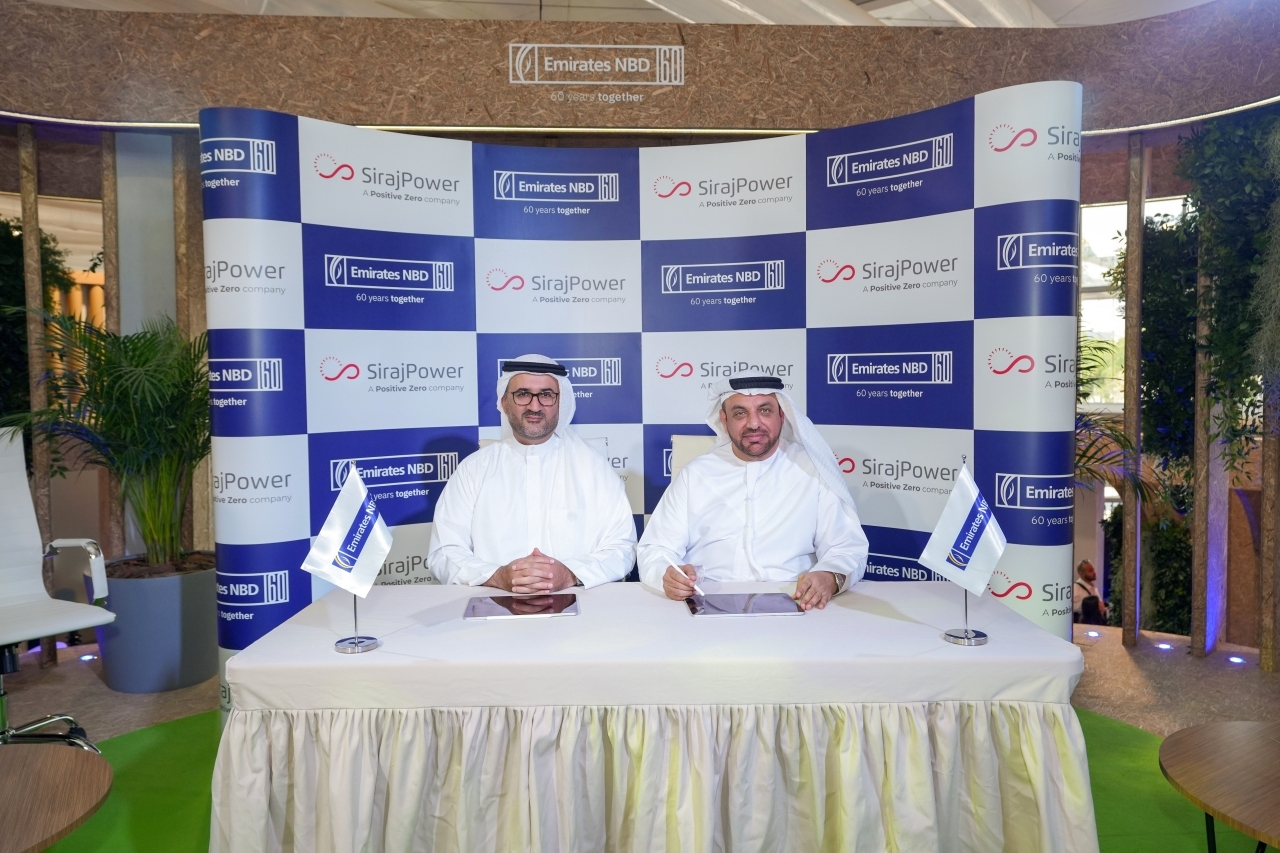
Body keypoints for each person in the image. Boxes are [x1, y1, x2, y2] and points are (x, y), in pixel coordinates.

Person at [637, 372, 869, 611]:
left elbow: (846, 547)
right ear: (724, 420)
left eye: (765, 410)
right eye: (740, 413)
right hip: (707, 600)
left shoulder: (813, 470)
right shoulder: (695, 474)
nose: (754, 423)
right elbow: (656, 549)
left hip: (794, 599)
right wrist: (667, 574)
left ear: (782, 415)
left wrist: (830, 577)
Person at [428, 355, 636, 592]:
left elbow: (622, 547)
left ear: (561, 402)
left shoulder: (593, 468)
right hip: (493, 601)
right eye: (523, 394)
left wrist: (570, 574)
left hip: (578, 603)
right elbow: (444, 552)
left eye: (546, 395)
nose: (534, 406)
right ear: (505, 402)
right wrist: (498, 576)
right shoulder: (474, 469)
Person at [1073, 559, 1107, 625]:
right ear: (1082, 573)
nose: (1094, 573)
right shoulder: (1075, 588)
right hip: (1083, 626)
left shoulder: (1093, 587)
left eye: (1093, 569)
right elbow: (1071, 607)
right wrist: (1092, 606)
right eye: (1090, 571)